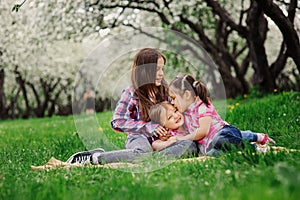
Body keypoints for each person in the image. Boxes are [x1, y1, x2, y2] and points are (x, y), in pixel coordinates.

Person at [66, 49, 197, 165]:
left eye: (162, 68)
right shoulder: (131, 93)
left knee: (190, 146)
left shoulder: (165, 92)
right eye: (157, 69)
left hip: (162, 142)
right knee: (141, 153)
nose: (161, 73)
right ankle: (95, 158)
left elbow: (177, 112)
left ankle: (152, 159)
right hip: (139, 137)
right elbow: (117, 121)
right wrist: (148, 127)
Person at [167, 74, 275, 156]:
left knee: (220, 139)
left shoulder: (202, 105)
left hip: (224, 132)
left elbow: (202, 132)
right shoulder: (183, 113)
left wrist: (184, 138)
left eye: (174, 98)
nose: (172, 102)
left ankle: (256, 148)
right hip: (210, 145)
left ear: (186, 95)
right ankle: (253, 139)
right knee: (213, 153)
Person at [149, 101, 275, 154]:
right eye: (170, 118)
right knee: (219, 149)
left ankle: (257, 137)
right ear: (163, 125)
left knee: (230, 137)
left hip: (217, 132)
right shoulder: (169, 133)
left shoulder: (187, 115)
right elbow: (155, 144)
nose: (176, 116)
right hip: (208, 144)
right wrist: (168, 142)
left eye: (175, 111)